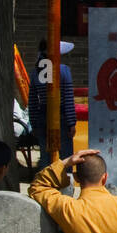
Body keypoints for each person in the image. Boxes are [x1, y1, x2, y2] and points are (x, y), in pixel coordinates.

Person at [28, 39, 76, 169]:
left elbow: (32, 100)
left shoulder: (35, 72)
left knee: (45, 153)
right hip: (60, 115)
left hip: (42, 115)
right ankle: (65, 183)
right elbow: (68, 98)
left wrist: (34, 122)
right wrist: (71, 122)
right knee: (65, 153)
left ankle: (45, 183)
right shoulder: (63, 70)